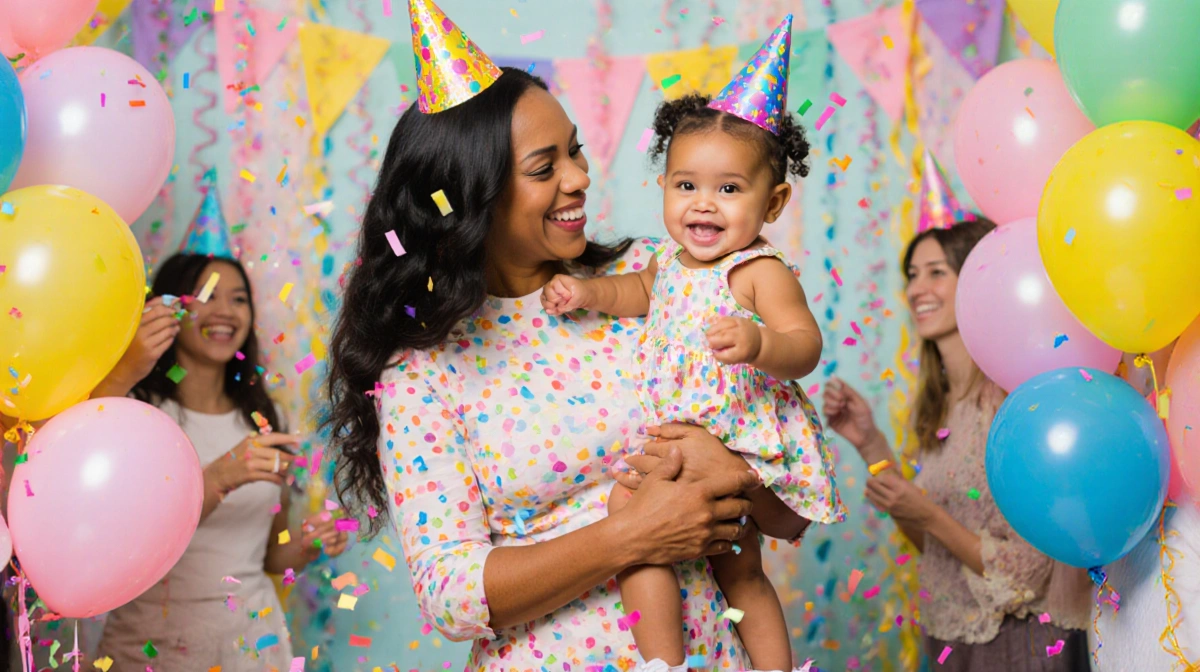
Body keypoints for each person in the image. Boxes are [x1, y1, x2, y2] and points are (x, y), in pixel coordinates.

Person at [325, 3, 801, 670]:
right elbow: (451, 597)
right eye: (544, 167)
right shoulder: (422, 369)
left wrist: (741, 475)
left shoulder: (661, 279)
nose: (579, 177)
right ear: (474, 196)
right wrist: (630, 536)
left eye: (573, 150)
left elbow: (791, 513)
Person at [539, 17, 842, 670]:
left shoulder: (757, 271)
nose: (704, 204)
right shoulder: (669, 263)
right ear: (664, 187)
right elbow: (636, 293)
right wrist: (587, 293)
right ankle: (663, 661)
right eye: (687, 186)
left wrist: (759, 343)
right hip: (678, 439)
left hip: (739, 440)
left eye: (729, 189)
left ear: (774, 203)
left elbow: (805, 345)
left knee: (741, 571)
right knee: (635, 521)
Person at [821, 219, 1092, 672]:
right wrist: (870, 444)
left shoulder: (1009, 399)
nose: (917, 289)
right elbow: (934, 548)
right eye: (912, 275)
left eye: (936, 272)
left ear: (977, 284)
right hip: (955, 642)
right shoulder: (937, 406)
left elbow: (1029, 570)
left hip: (1023, 643)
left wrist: (928, 514)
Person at [90, 252, 348, 671]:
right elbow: (131, 539)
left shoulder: (263, 420)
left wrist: (308, 543)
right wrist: (218, 478)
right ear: (171, 309)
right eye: (207, 295)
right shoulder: (135, 411)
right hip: (151, 650)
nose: (225, 311)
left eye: (239, 299)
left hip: (253, 649)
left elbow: (269, 556)